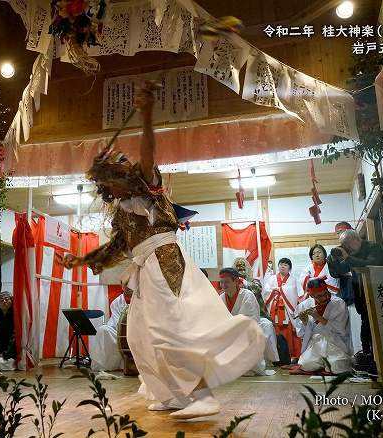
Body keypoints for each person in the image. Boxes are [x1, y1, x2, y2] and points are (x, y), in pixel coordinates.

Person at [62, 82, 264, 420]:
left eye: (108, 179)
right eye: (103, 184)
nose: (106, 187)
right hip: (146, 269)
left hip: (163, 261)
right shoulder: (125, 212)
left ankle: (201, 393)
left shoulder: (148, 191)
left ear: (121, 176)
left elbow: (148, 151)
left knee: (170, 326)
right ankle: (171, 394)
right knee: (141, 335)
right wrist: (81, 259)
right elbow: (115, 248)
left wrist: (145, 115)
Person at [329, 229, 383, 373]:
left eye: (347, 245)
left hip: (381, 295)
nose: (347, 249)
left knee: (382, 327)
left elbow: (371, 265)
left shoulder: (373, 248)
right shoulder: (352, 253)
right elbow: (337, 272)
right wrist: (332, 259)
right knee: (366, 325)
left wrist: (347, 257)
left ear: (355, 240)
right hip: (363, 297)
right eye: (344, 246)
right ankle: (369, 358)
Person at [218, 268, 274, 375]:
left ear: (236, 281)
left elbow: (250, 319)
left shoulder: (247, 295)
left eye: (227, 282)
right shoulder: (221, 298)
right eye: (222, 282)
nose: (224, 285)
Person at [293, 278, 353, 374]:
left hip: (335, 343)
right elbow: (301, 334)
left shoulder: (338, 303)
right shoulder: (304, 305)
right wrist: (304, 322)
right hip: (315, 343)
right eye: (319, 296)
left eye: (325, 293)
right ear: (311, 295)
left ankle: (327, 363)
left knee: (336, 366)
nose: (324, 298)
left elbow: (340, 328)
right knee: (305, 365)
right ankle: (322, 364)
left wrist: (318, 317)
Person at [262, 258, 302, 360]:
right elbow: (266, 291)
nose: (283, 266)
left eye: (285, 265)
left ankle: (289, 354)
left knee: (288, 330)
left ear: (289, 268)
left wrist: (281, 290)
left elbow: (295, 292)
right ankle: (277, 356)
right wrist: (273, 291)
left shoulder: (293, 279)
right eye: (281, 264)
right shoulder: (271, 279)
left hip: (287, 309)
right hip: (275, 307)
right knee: (275, 329)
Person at [90, 293, 128, 372]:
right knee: (103, 329)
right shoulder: (117, 301)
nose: (127, 287)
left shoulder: (143, 297)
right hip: (120, 332)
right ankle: (104, 365)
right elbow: (115, 322)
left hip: (139, 332)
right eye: (125, 284)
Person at [0, 291, 17, 371]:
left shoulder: (15, 316)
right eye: (1, 300)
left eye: (6, 299)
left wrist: (5, 354)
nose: (4, 301)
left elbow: (14, 338)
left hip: (9, 353)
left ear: (11, 301)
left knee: (4, 363)